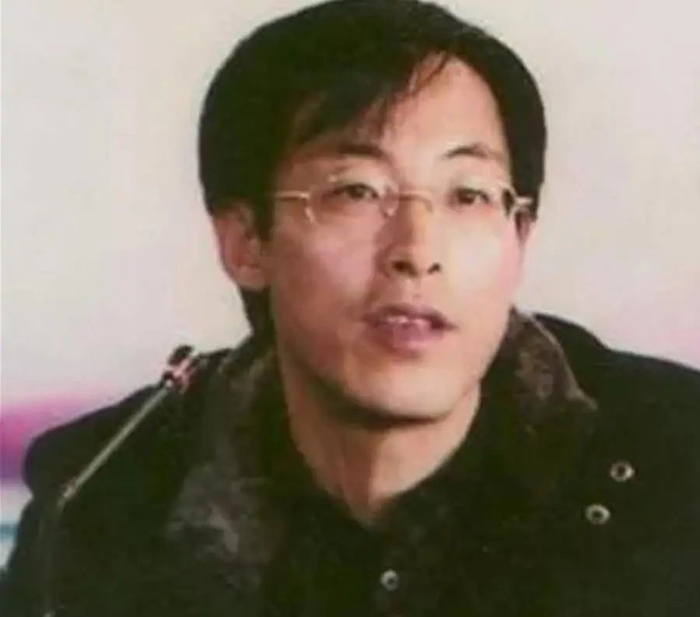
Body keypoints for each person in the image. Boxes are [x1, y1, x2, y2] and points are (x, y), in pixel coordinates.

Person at [2, 1, 699, 615]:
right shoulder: (97, 503)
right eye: (356, 191)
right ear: (246, 242)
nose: (416, 250)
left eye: (468, 194)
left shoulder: (678, 467)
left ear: (519, 235)